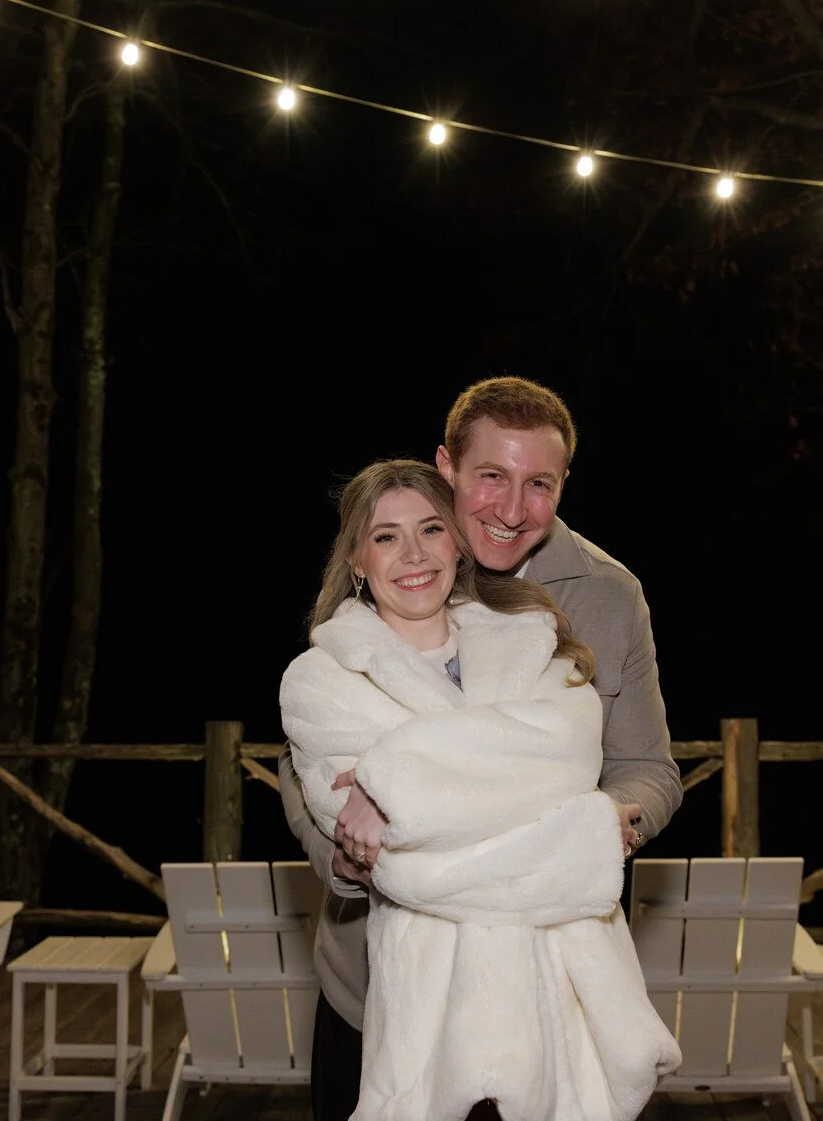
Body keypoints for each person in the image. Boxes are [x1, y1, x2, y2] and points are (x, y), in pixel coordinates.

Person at [279, 375, 683, 1120]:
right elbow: (306, 765)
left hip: (551, 988)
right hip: (377, 984)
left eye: (539, 484)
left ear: (563, 484)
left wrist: (604, 826)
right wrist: (343, 857)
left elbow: (648, 769)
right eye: (491, 476)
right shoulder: (390, 585)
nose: (511, 509)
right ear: (448, 469)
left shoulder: (606, 594)